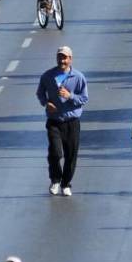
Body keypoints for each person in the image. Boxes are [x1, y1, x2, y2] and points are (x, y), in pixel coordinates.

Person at [35, 46, 88, 196]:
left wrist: (70, 96)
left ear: (70, 59)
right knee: (56, 152)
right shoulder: (48, 76)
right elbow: (40, 93)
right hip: (54, 121)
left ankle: (66, 184)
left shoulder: (78, 77)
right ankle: (55, 180)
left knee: (71, 155)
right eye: (60, 57)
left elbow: (84, 98)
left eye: (65, 58)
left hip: (72, 121)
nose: (62, 60)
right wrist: (46, 103)